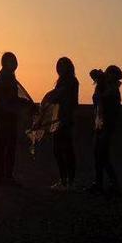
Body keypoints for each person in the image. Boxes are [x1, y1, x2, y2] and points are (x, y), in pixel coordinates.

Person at [0, 52, 33, 186]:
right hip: (6, 115)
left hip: (5, 114)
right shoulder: (6, 77)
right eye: (13, 61)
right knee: (7, 145)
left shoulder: (6, 76)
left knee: (4, 145)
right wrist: (25, 103)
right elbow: (9, 98)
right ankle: (6, 176)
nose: (15, 63)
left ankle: (4, 176)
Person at [43, 57, 79, 190]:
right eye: (58, 66)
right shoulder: (63, 82)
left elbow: (66, 99)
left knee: (64, 150)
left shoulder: (71, 82)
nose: (59, 68)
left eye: (62, 66)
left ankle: (68, 181)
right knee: (60, 150)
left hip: (65, 120)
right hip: (59, 119)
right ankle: (65, 180)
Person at [88, 64, 122, 195]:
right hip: (100, 124)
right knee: (98, 155)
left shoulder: (112, 90)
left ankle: (111, 184)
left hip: (106, 125)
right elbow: (92, 73)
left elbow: (111, 109)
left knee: (103, 156)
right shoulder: (104, 86)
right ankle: (100, 183)